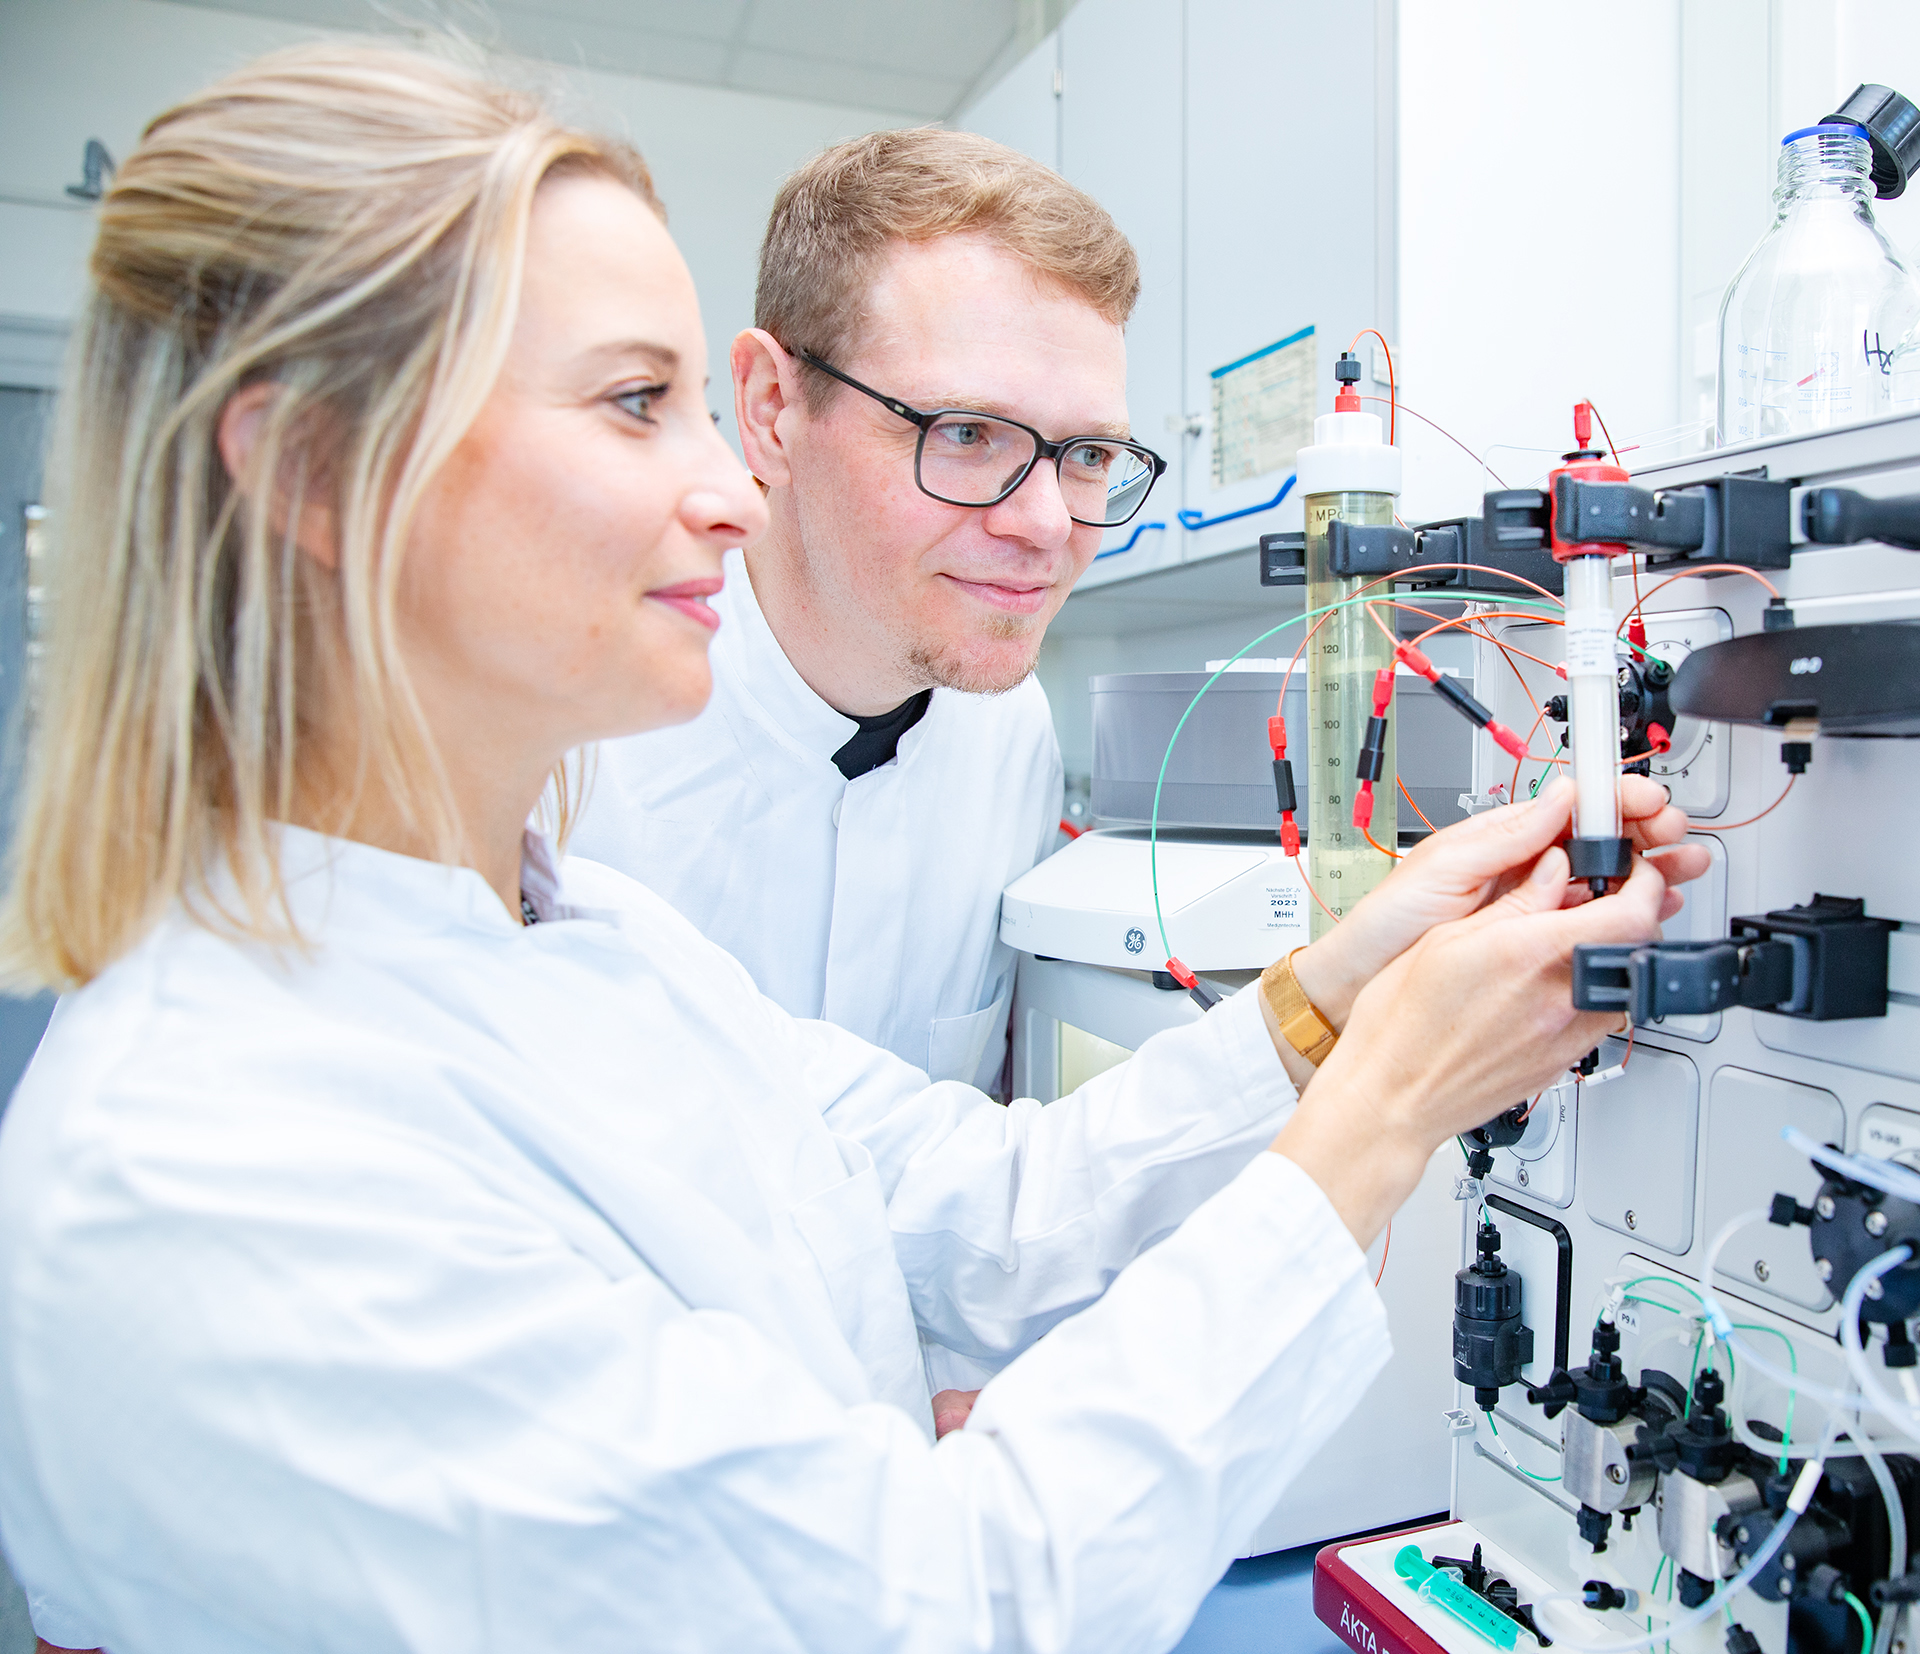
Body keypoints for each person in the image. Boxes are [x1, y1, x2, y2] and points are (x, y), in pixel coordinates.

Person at [0, 45, 1708, 1654]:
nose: (729, 493)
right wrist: (1387, 1108)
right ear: (313, 464)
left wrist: (1344, 984)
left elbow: (961, 1203)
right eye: (627, 403)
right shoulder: (210, 1165)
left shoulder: (573, 936)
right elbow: (925, 1604)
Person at [567, 128, 1134, 1094]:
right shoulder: (571, 743)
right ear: (771, 409)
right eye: (964, 433)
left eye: (1087, 455)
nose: (1046, 524)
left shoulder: (1012, 733)